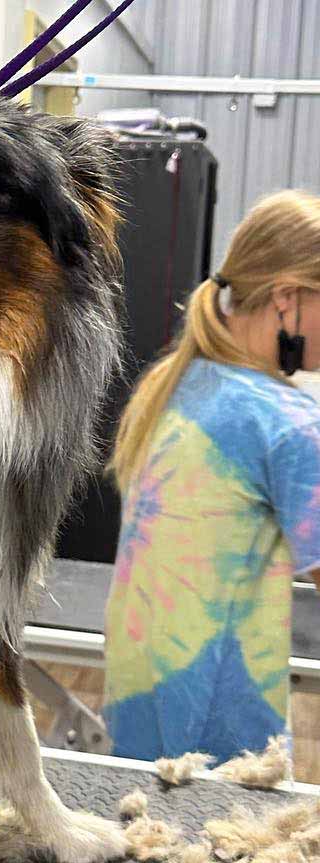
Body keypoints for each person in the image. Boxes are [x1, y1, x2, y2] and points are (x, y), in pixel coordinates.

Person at [104, 190, 320, 764]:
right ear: (288, 299)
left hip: (138, 708)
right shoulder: (289, 422)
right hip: (229, 741)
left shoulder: (177, 383)